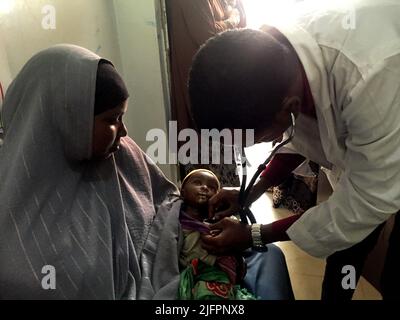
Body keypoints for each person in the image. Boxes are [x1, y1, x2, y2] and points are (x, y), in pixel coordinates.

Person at [188, 0, 400, 300]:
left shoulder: (370, 75)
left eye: (260, 138)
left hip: (390, 130)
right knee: (345, 252)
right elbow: (300, 137)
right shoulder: (273, 59)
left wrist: (255, 234)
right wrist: (250, 192)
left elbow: (365, 202)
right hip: (373, 153)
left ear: (291, 108)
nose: (268, 141)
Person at [0, 44, 179, 299]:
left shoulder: (121, 154)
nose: (125, 132)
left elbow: (166, 201)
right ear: (69, 117)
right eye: (112, 119)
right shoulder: (13, 204)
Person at [166, 0, 246, 187]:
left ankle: (222, 199)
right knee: (210, 155)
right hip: (205, 85)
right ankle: (214, 204)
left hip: (212, 81)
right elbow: (207, 34)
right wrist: (231, 19)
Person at [178, 169, 256, 300]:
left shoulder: (223, 221)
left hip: (219, 275)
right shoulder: (176, 220)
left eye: (212, 187)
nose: (204, 187)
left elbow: (238, 242)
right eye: (197, 183)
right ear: (182, 192)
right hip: (192, 273)